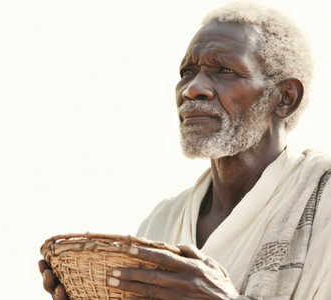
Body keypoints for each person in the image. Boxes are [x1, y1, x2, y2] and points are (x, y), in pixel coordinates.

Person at [39, 2, 331, 299]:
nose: (192, 88)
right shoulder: (161, 223)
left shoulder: (324, 200)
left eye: (225, 70)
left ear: (285, 98)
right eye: (187, 71)